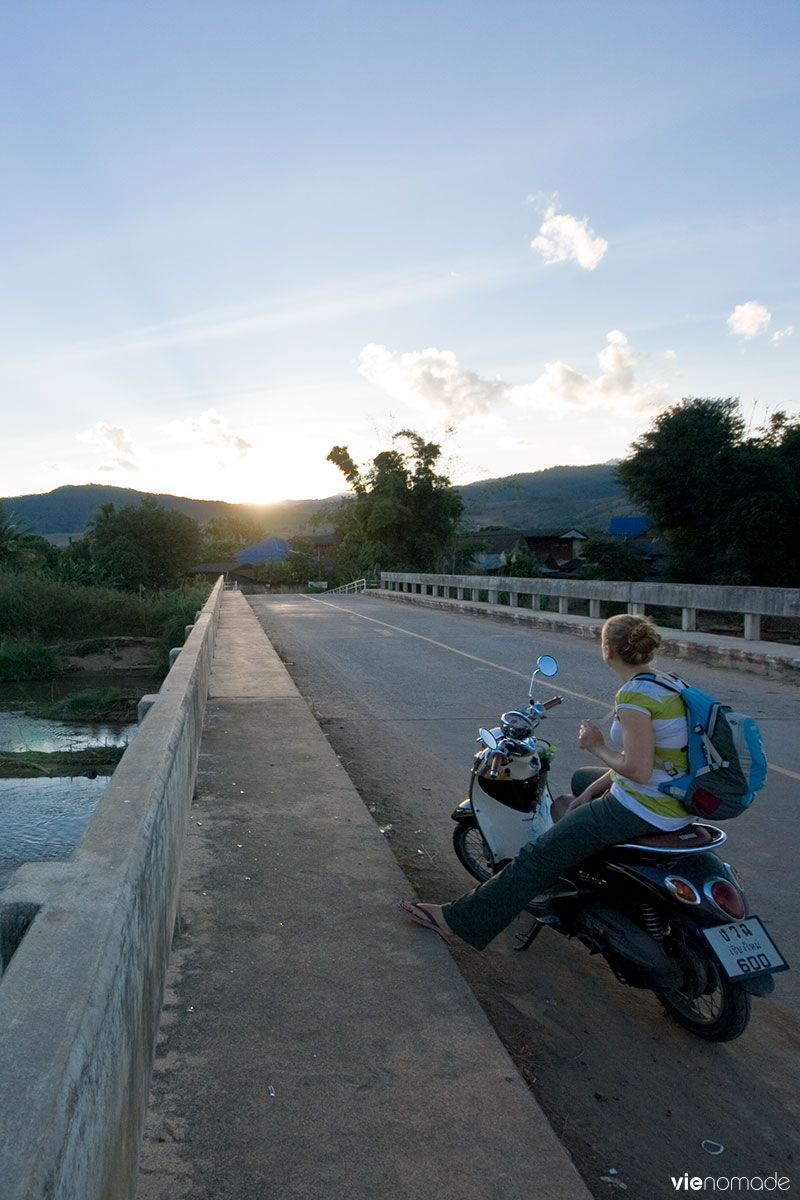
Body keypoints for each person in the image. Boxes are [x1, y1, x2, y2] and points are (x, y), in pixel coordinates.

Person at [397, 613, 692, 949]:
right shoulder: (670, 683)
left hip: (645, 806)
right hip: (678, 796)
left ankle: (455, 921)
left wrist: (597, 747)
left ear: (607, 651)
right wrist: (590, 793)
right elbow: (659, 759)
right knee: (582, 783)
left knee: (537, 856)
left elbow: (638, 770)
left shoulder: (635, 696)